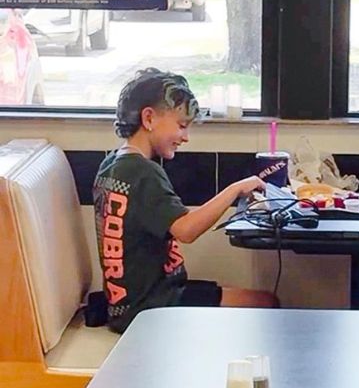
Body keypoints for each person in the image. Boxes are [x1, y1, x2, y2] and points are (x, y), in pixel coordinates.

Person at [93, 68, 278, 333]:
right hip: (153, 309)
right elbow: (186, 230)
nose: (186, 137)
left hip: (127, 305)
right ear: (149, 118)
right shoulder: (142, 172)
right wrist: (235, 190)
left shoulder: (111, 164)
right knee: (266, 303)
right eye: (181, 125)